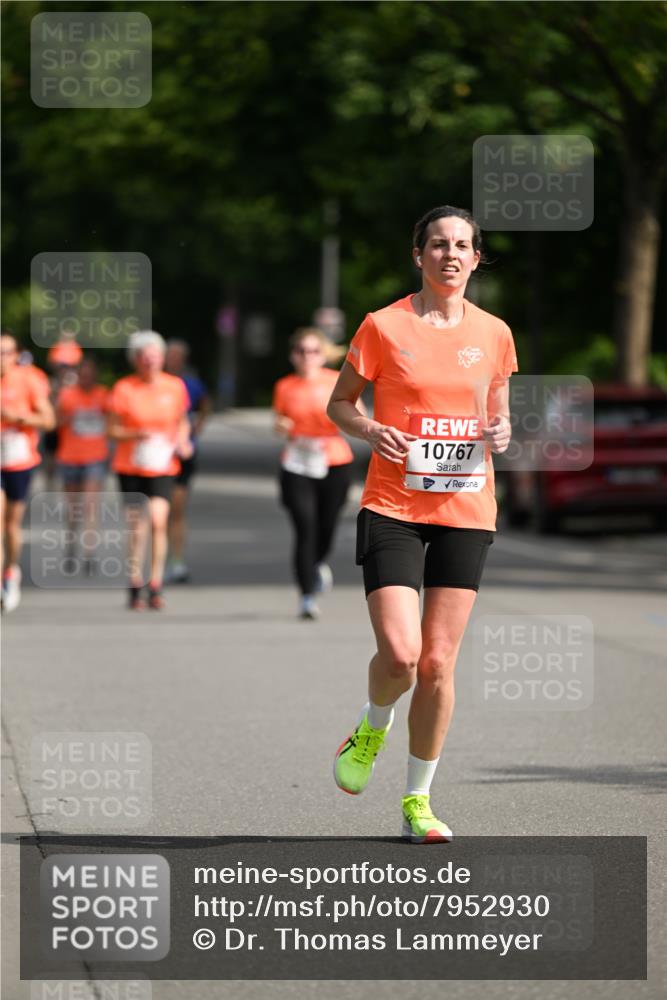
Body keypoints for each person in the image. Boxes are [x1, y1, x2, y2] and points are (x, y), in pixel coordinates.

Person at [327, 206, 517, 842]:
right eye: (438, 244)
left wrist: (502, 429)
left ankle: (418, 801)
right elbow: (341, 404)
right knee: (403, 656)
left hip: (466, 507)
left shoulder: (494, 333)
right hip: (393, 508)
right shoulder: (384, 325)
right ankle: (371, 724)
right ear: (419, 255)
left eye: (463, 245)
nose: (451, 255)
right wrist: (372, 428)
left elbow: (500, 416)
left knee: (437, 664)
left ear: (476, 257)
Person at [273, 327, 355, 620]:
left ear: (323, 354)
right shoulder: (285, 386)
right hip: (297, 461)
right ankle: (307, 596)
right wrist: (281, 426)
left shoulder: (337, 382)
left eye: (313, 351)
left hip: (333, 459)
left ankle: (317, 562)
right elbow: (279, 420)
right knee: (305, 526)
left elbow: (356, 417)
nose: (307, 357)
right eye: (301, 351)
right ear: (292, 355)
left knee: (327, 526)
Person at [107, 331, 192, 610]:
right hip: (130, 465)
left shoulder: (174, 386)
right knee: (136, 527)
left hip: (163, 465)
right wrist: (135, 433)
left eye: (155, 357)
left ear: (162, 358)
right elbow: (112, 429)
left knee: (158, 521)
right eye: (144, 357)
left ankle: (155, 583)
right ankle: (135, 582)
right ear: (136, 360)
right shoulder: (124, 389)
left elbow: (182, 421)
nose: (150, 362)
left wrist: (183, 440)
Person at [1, 331, 55, 611]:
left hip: (19, 459)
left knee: (11, 524)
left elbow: (49, 420)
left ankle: (11, 570)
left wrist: (18, 418)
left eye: (6, 352)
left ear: (16, 354)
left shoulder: (29, 379)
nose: (2, 359)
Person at [55, 355, 110, 572]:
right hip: (69, 456)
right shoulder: (67, 396)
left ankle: (89, 553)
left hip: (95, 457)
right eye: (83, 375)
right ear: (78, 376)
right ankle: (70, 546)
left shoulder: (104, 395)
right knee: (74, 508)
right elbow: (54, 422)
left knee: (90, 505)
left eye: (90, 376)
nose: (86, 379)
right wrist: (68, 419)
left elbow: (113, 420)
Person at [164, 339, 211, 583]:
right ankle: (157, 559)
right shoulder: (155, 384)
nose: (173, 360)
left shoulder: (190, 384)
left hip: (183, 453)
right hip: (156, 456)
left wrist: (198, 425)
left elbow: (205, 404)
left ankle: (177, 559)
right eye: (169, 355)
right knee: (157, 512)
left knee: (177, 509)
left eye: (177, 356)